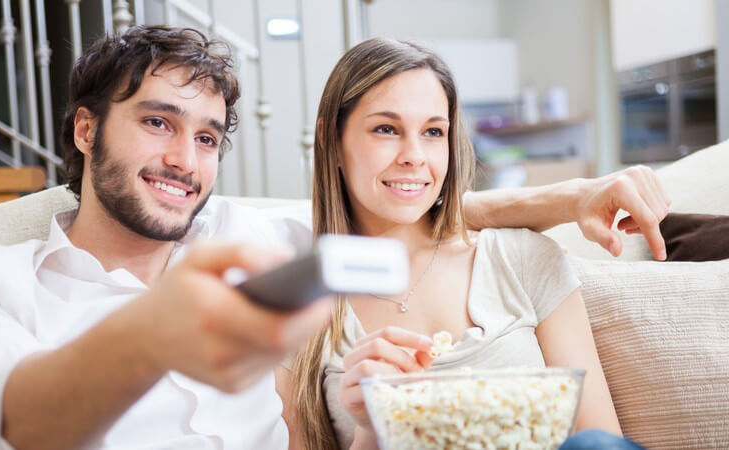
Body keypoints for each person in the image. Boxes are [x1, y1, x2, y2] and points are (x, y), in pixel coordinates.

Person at [0, 26, 665, 450]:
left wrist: (574, 196)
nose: (186, 161)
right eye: (158, 122)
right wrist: (153, 334)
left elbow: (404, 206)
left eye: (208, 137)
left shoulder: (254, 238)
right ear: (86, 129)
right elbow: (14, 419)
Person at [277, 38, 650, 449]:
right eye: (387, 129)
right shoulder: (297, 307)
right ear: (331, 139)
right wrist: (373, 425)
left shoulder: (524, 260)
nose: (415, 156)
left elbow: (600, 439)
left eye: (433, 132)